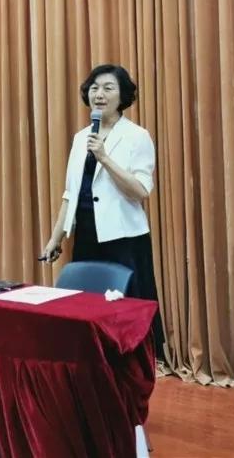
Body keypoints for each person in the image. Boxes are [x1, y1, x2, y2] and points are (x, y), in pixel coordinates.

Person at [40, 63, 164, 362]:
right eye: (94, 88)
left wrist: (104, 158)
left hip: (124, 238)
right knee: (88, 305)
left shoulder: (137, 136)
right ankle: (96, 362)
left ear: (122, 96)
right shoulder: (81, 137)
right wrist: (56, 238)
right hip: (87, 233)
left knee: (127, 307)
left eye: (108, 88)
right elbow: (70, 193)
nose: (99, 94)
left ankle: (134, 364)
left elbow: (141, 191)